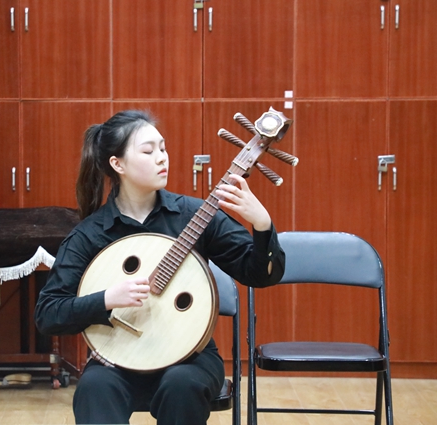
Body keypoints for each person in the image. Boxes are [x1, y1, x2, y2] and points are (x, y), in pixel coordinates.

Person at [34, 110, 285, 425]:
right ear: (118, 164)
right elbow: (48, 313)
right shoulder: (90, 234)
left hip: (190, 359)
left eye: (163, 148)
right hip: (118, 358)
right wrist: (108, 299)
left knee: (182, 385)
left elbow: (261, 274)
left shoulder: (193, 215)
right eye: (148, 151)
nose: (162, 158)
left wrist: (262, 224)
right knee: (94, 387)